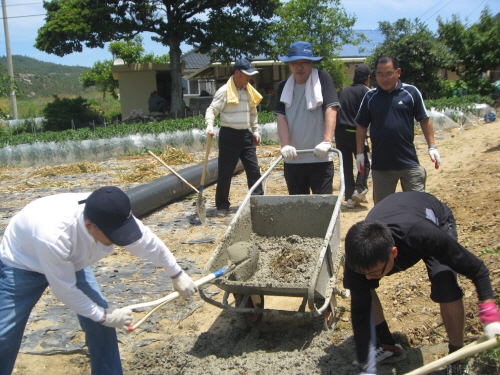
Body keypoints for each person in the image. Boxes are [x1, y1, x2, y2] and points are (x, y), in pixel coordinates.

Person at [0, 186, 197, 375]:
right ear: (89, 226)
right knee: (4, 335)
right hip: (23, 262)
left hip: (70, 259)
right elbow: (65, 290)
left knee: (100, 324)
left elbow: (150, 244)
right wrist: (103, 316)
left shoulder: (111, 210)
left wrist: (177, 274)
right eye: (113, 236)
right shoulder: (54, 234)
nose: (119, 240)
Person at [343, 191, 500, 375]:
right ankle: (387, 344)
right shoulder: (358, 257)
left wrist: (490, 315)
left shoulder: (426, 234)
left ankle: (457, 358)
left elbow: (477, 269)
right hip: (400, 216)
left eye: (374, 272)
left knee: (445, 283)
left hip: (432, 220)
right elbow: (359, 311)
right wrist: (365, 362)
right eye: (364, 272)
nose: (369, 276)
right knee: (362, 288)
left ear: (393, 253)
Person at [355, 55, 441, 205]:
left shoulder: (410, 92)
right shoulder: (370, 96)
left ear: (398, 72)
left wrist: (432, 146)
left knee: (418, 206)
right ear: (375, 74)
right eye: (379, 74)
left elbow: (424, 119)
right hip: (381, 167)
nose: (384, 78)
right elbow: (361, 125)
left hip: (409, 162)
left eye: (389, 73)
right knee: (382, 210)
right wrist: (360, 153)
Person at [274, 41, 341, 195]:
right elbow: (281, 116)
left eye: (304, 62)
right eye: (295, 63)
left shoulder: (322, 78)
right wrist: (285, 145)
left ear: (311, 63)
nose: (299, 67)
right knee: (299, 208)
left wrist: (326, 141)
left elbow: (331, 109)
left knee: (322, 207)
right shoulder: (284, 87)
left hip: (319, 157)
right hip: (293, 159)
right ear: (289, 65)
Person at [205, 58, 264, 217]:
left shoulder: (248, 90)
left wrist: (255, 130)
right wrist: (210, 125)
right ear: (237, 72)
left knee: (253, 169)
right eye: (246, 75)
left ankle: (258, 201)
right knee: (226, 172)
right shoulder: (224, 91)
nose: (248, 78)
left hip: (246, 135)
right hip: (229, 135)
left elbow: (253, 112)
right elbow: (211, 110)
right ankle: (222, 206)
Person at [335, 64, 371, 208]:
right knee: (364, 163)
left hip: (340, 133)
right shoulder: (367, 92)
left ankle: (350, 197)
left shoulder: (344, 91)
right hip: (356, 133)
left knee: (346, 165)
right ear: (368, 78)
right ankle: (359, 189)